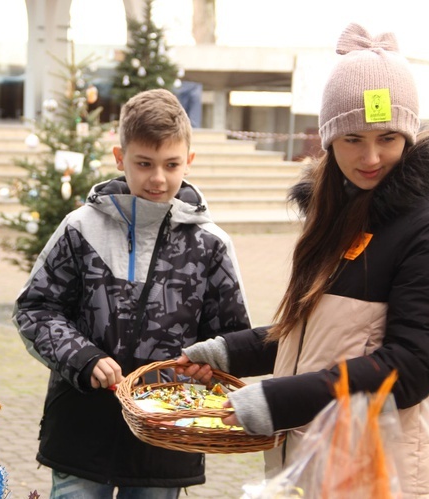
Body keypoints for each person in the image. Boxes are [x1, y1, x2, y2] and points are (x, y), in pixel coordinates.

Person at [177, 23, 429, 498]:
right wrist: (227, 352)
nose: (371, 156)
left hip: (390, 481)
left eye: (388, 138)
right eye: (353, 138)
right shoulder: (341, 215)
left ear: (410, 136)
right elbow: (318, 336)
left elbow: (413, 366)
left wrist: (280, 400)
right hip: (324, 471)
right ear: (329, 139)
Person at [13, 88, 251, 498]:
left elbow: (232, 337)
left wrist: (207, 365)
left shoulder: (211, 244)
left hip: (165, 439)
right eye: (144, 164)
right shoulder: (80, 228)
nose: (158, 178)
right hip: (80, 429)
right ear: (120, 158)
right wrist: (83, 358)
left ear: (188, 162)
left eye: (171, 164)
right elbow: (35, 310)